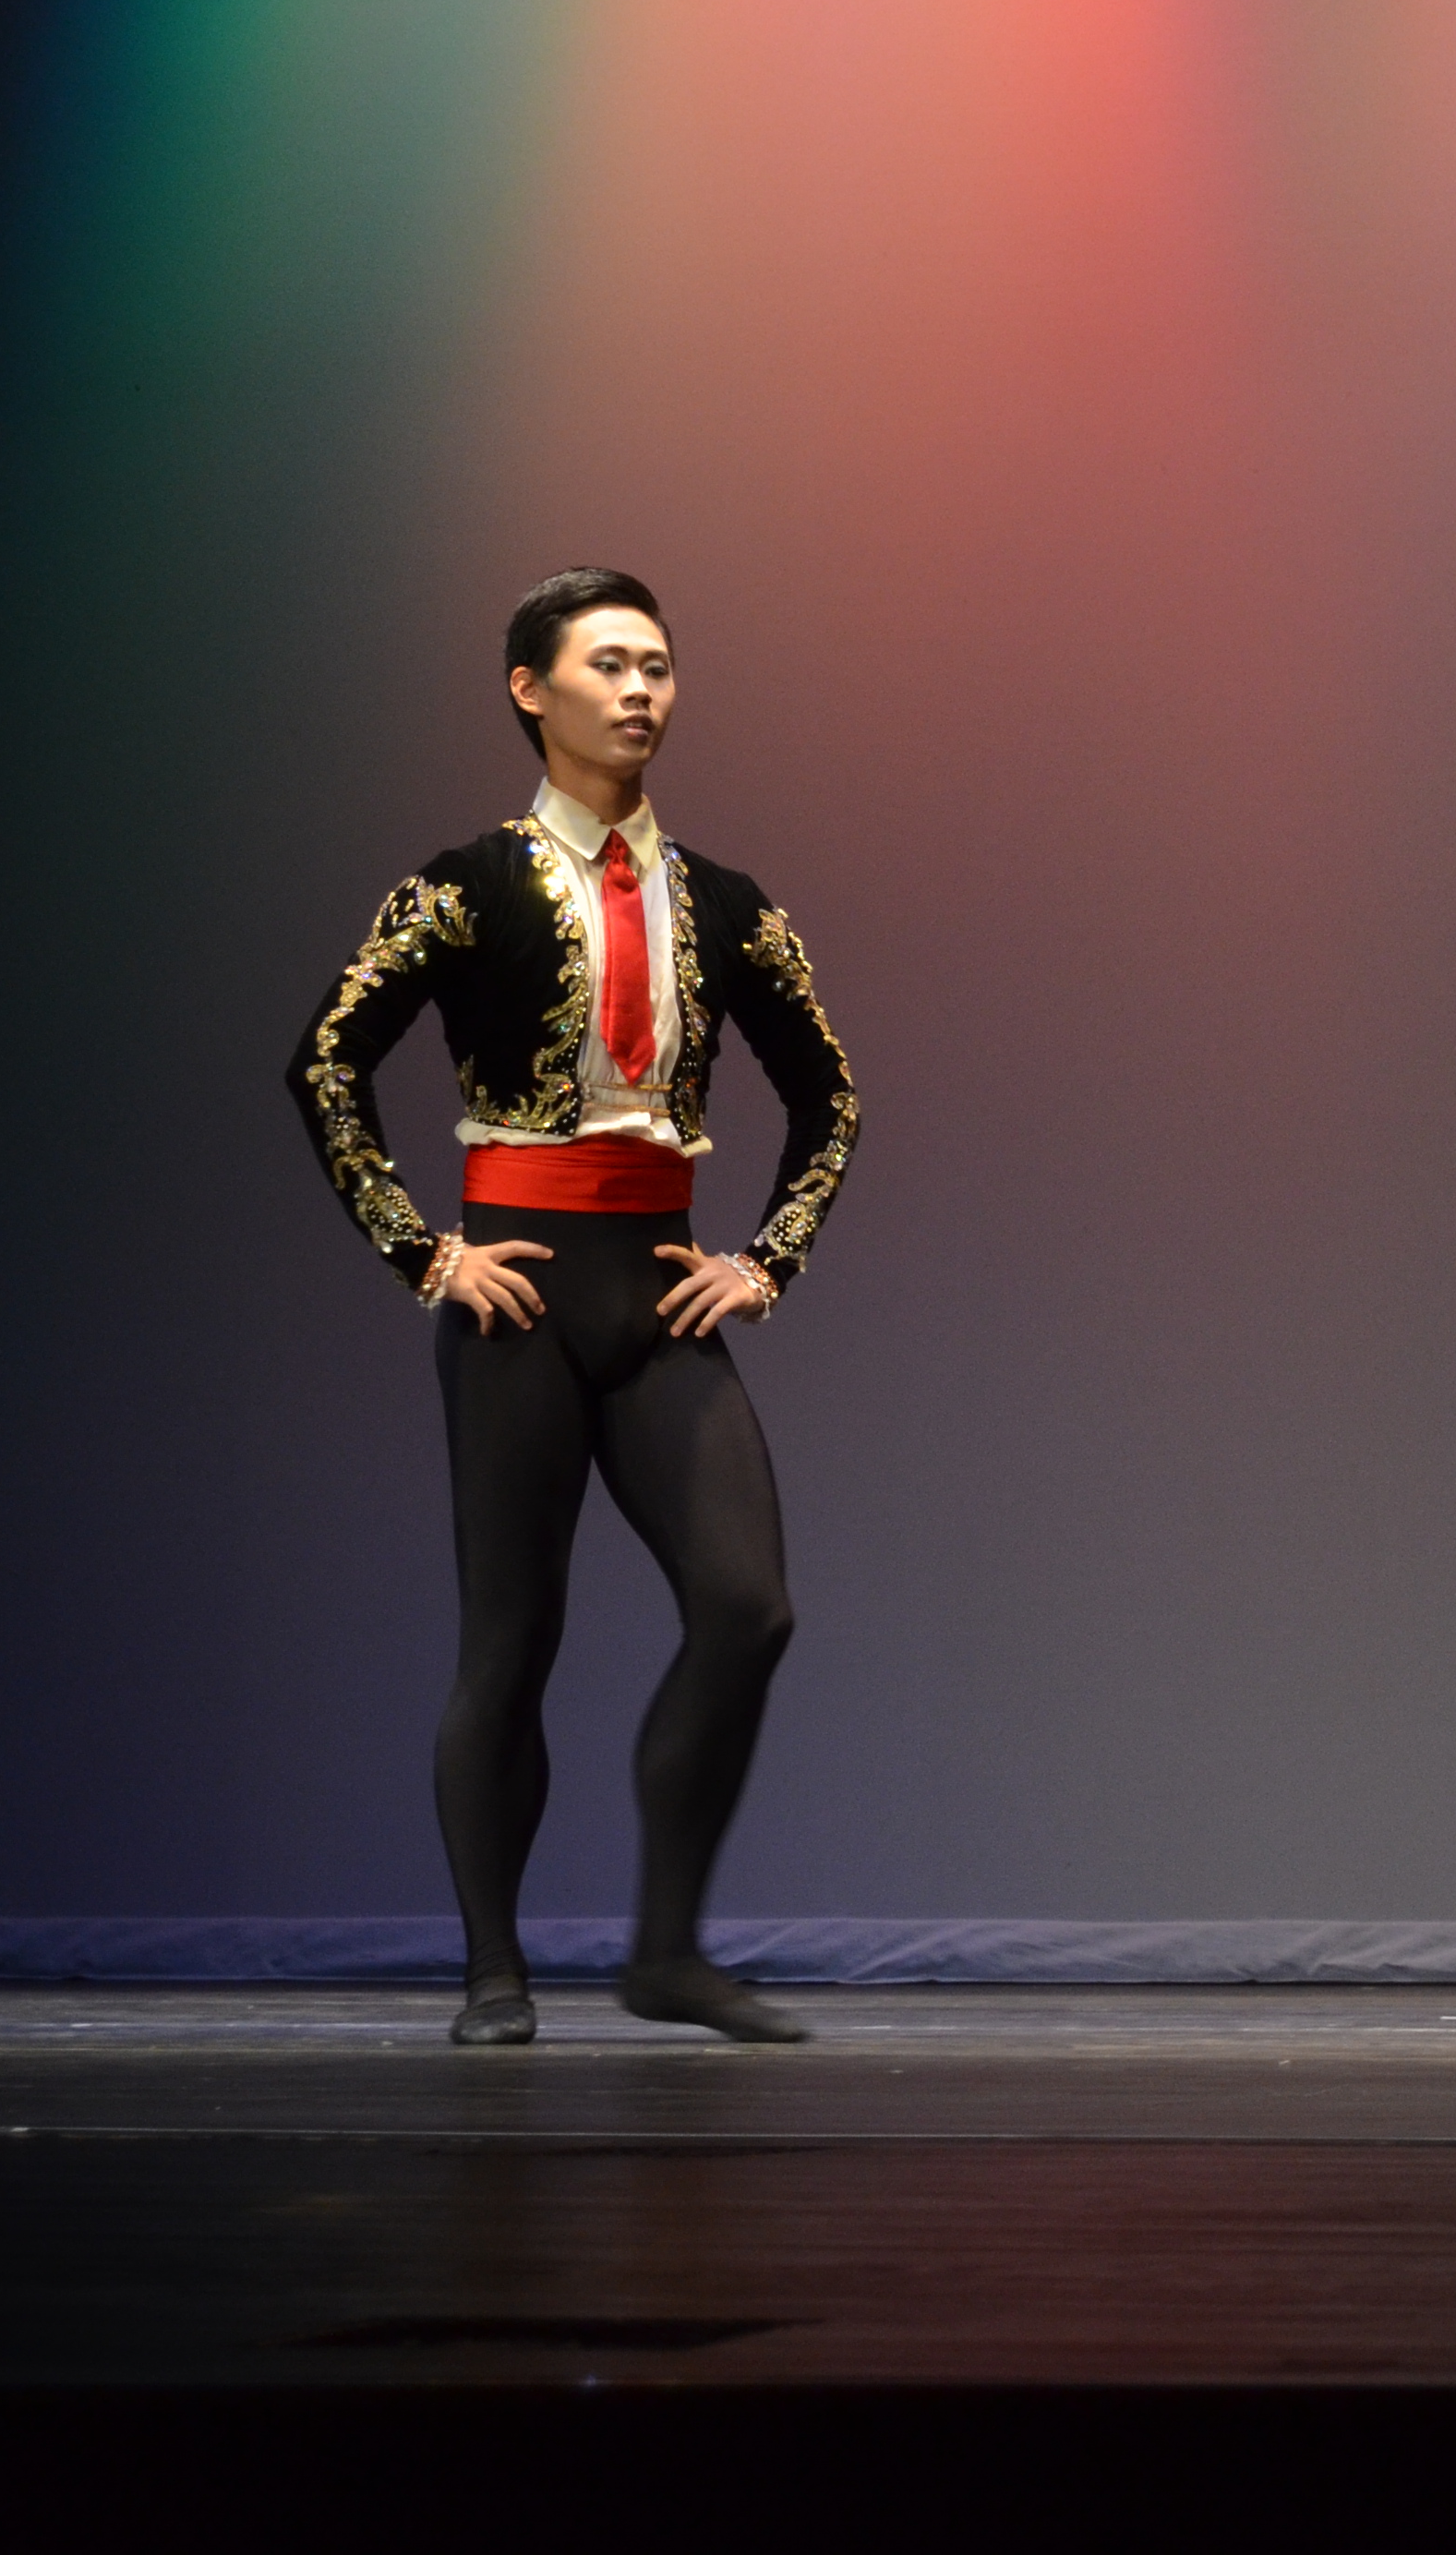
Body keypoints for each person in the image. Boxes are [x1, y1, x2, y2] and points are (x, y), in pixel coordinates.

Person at [287, 569, 860, 2045]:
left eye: (659, 665)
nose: (641, 690)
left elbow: (832, 1097)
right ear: (530, 691)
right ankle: (495, 1972)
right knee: (511, 1641)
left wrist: (767, 1260)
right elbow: (327, 1061)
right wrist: (426, 1253)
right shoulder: (460, 888)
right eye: (608, 664)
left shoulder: (728, 904)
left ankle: (665, 1953)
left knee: (748, 1608)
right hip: (518, 1304)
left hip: (658, 1294)